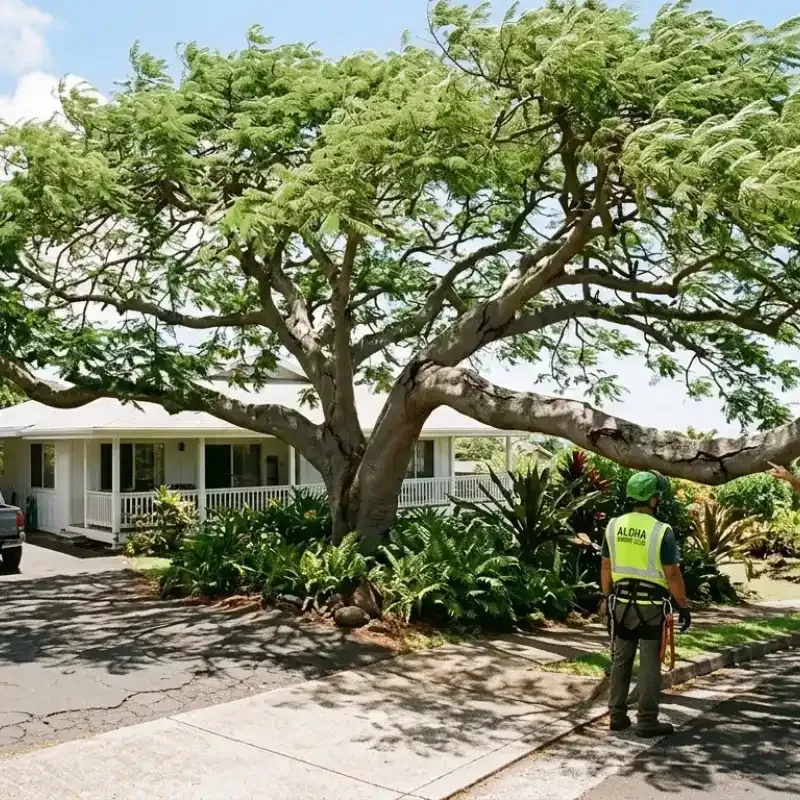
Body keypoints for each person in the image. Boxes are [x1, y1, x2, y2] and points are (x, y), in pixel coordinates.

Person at [601, 471, 692, 738]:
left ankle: (617, 717)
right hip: (651, 607)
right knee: (650, 663)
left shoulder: (613, 526)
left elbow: (606, 565)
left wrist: (606, 598)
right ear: (652, 500)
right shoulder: (661, 531)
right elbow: (672, 574)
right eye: (657, 496)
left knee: (621, 660)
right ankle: (647, 721)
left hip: (621, 604)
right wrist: (683, 605)